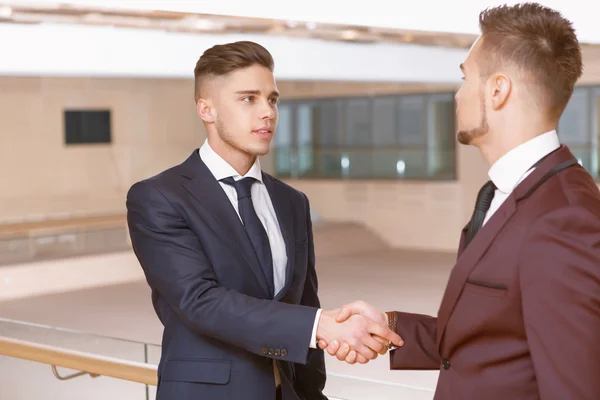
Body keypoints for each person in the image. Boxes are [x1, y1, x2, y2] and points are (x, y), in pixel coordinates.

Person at [319, 3, 600, 399]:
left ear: (497, 90)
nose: (458, 94)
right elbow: (496, 338)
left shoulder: (563, 216)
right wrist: (388, 326)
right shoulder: (506, 192)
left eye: (465, 78)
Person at [126, 40, 402, 400]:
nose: (267, 113)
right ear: (206, 109)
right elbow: (200, 301)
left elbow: (304, 303)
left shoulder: (292, 202)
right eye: (248, 99)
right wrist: (321, 327)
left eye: (272, 99)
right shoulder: (159, 197)